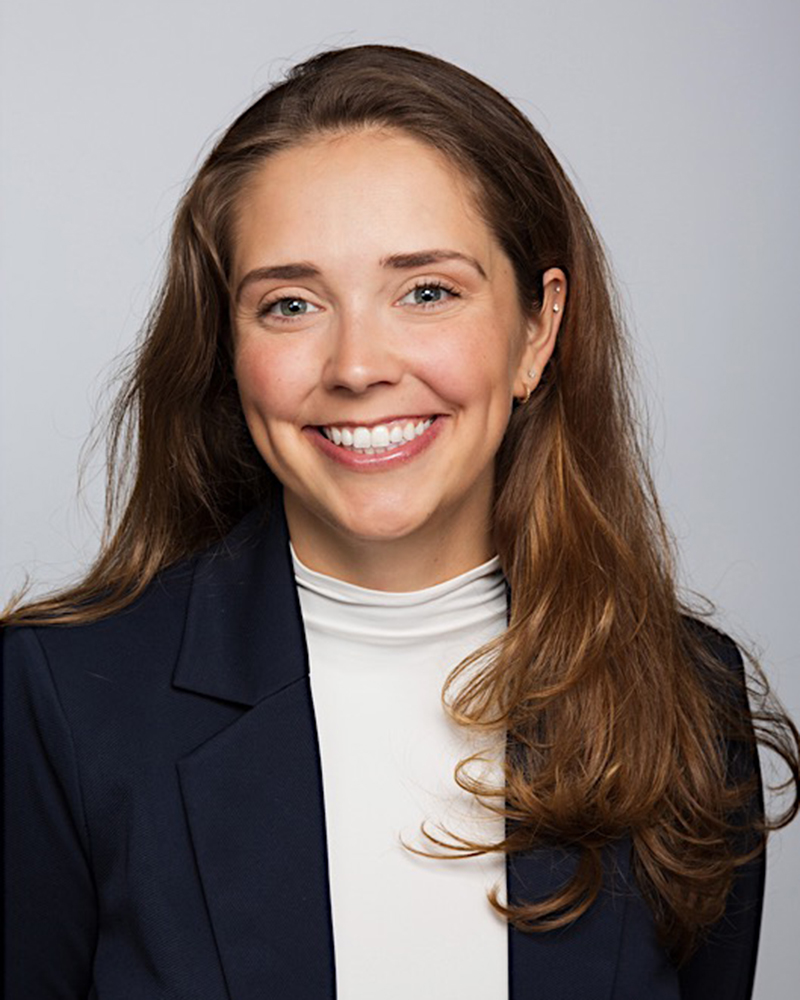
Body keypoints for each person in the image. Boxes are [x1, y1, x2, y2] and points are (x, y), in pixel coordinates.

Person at [3, 43, 798, 1000]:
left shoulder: (684, 698)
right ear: (228, 346)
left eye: (427, 291)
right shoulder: (59, 699)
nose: (357, 365)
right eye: (290, 304)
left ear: (538, 331)